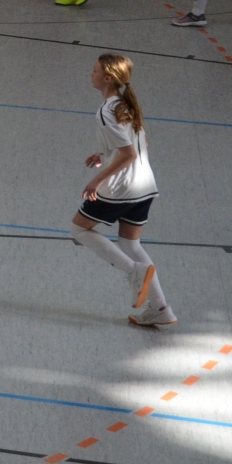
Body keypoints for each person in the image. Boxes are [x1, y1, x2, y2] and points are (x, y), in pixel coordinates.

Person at [68, 53, 176, 328]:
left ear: (108, 78)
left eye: (94, 71)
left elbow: (128, 153)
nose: (89, 74)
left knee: (79, 229)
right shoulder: (126, 105)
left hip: (122, 187)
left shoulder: (107, 110)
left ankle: (133, 272)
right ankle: (161, 308)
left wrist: (98, 179)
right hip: (145, 185)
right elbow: (141, 144)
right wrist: (104, 153)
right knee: (130, 244)